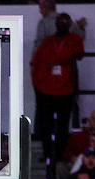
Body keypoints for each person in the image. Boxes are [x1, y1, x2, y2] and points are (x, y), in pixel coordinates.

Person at [31, 13, 85, 165]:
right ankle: (47, 153)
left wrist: (57, 60)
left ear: (69, 24)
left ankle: (60, 154)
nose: (62, 24)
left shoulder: (74, 39)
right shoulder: (47, 41)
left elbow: (80, 54)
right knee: (46, 125)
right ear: (55, 23)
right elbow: (37, 61)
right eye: (60, 21)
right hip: (45, 89)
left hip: (65, 90)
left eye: (65, 22)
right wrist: (36, 83)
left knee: (62, 125)